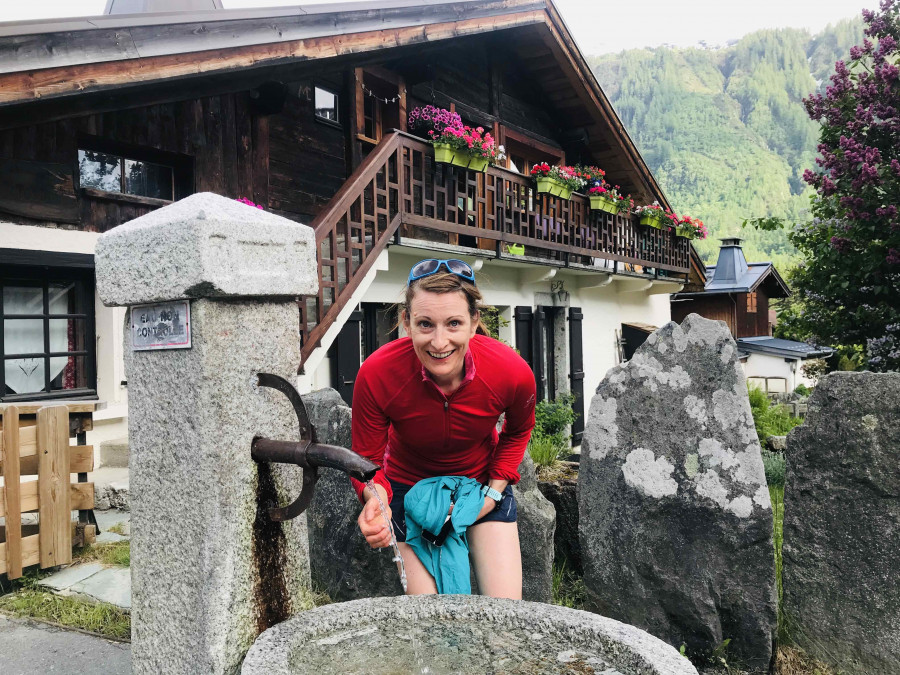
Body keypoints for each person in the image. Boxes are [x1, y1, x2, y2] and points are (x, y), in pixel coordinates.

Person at [350, 258, 536, 598]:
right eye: (425, 324)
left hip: (480, 485)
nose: (439, 342)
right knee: (433, 622)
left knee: (507, 615)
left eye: (453, 323)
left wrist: (493, 495)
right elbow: (366, 460)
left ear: (474, 321)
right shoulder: (378, 374)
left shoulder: (511, 371)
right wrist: (376, 500)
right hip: (407, 489)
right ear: (406, 321)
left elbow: (518, 431)